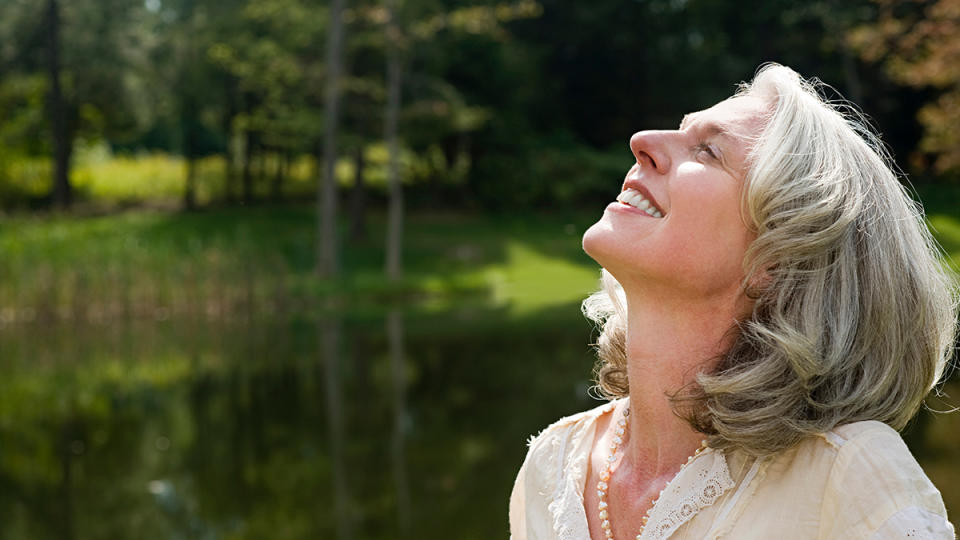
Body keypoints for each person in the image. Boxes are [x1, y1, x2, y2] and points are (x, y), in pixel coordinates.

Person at [508, 63, 958, 539]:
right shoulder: (553, 464)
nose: (642, 141)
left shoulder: (847, 474)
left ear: (782, 258)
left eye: (707, 150)